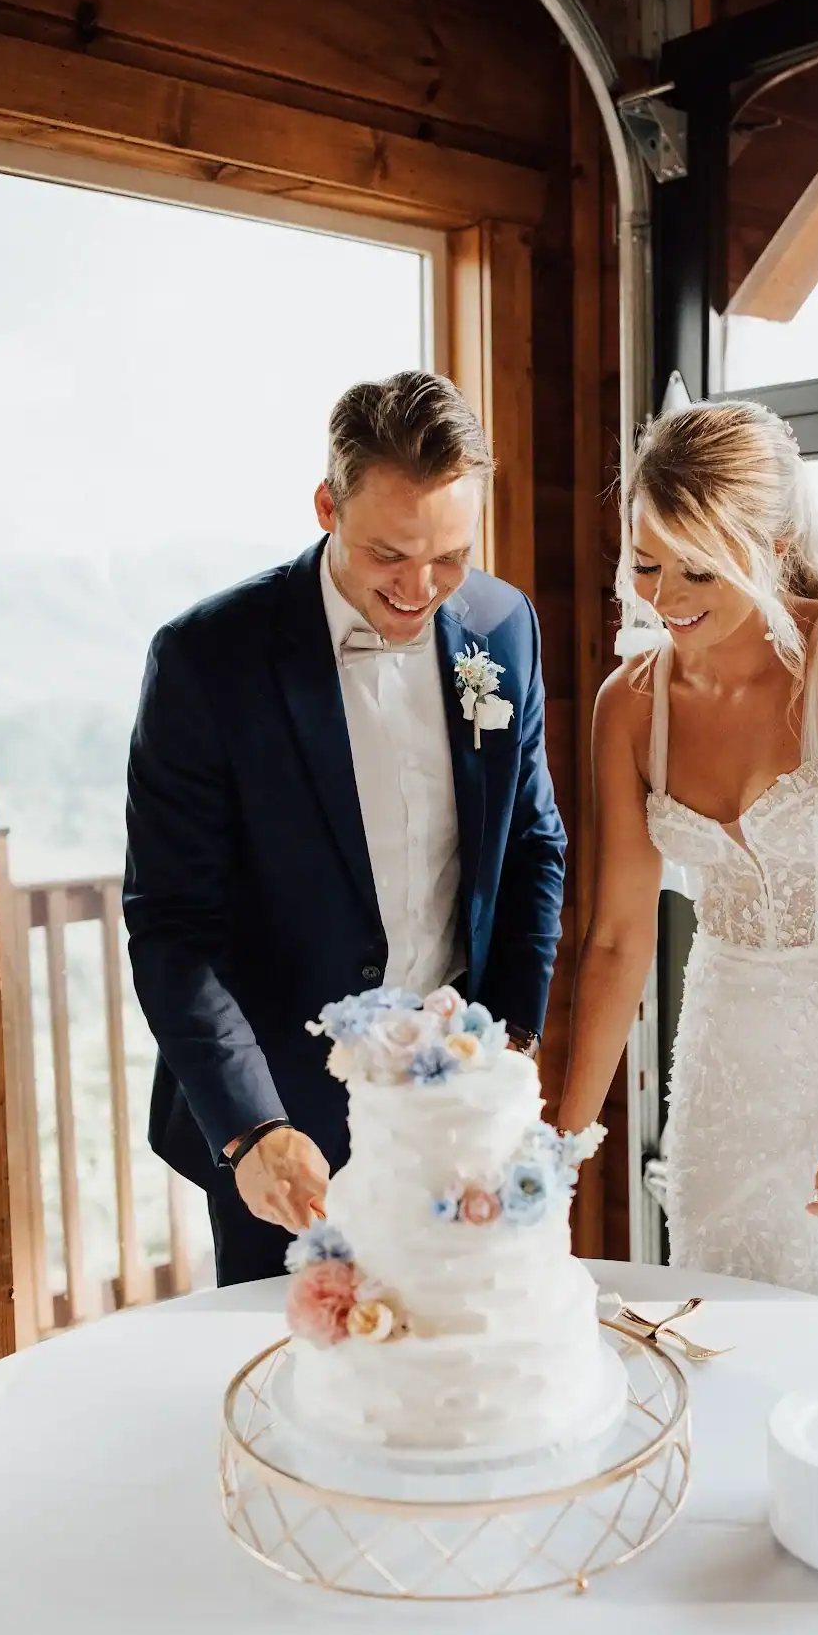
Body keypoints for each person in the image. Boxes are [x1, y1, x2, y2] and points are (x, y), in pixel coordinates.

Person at [124, 373, 566, 1285]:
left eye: (451, 555)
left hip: (456, 1097)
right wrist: (252, 1127)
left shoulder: (502, 626)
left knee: (451, 1370)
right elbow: (173, 926)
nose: (422, 588)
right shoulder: (208, 660)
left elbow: (533, 843)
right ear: (328, 506)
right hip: (287, 1126)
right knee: (299, 1391)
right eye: (390, 556)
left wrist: (508, 1045)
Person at [556, 402, 818, 1330]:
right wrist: (559, 1149)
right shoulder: (628, 708)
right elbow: (620, 940)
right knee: (720, 1318)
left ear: (775, 544)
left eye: (699, 568)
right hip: (725, 1051)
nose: (665, 599)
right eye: (647, 564)